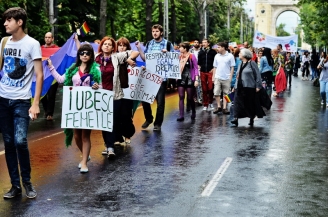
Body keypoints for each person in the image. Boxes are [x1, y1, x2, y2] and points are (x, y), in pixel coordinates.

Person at [0, 7, 44, 199]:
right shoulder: (3, 42)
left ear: (19, 22)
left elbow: (39, 74)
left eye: (8, 20)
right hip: (3, 100)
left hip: (21, 101)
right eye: (5, 20)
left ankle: (27, 182)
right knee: (8, 143)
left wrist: (35, 104)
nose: (5, 23)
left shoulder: (32, 44)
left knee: (20, 141)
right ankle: (15, 186)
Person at [47, 44, 101, 172]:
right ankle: (85, 156)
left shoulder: (96, 69)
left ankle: (84, 163)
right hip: (75, 106)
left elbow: (101, 86)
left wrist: (97, 86)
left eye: (87, 53)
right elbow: (60, 80)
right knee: (77, 135)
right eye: (82, 53)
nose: (84, 55)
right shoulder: (73, 69)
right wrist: (50, 66)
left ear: (91, 55)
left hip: (88, 106)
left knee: (85, 135)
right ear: (79, 55)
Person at [95, 36, 139, 157]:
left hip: (115, 95)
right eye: (105, 44)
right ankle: (108, 145)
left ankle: (110, 146)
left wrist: (129, 59)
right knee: (104, 122)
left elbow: (135, 52)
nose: (107, 46)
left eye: (110, 44)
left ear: (113, 47)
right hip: (100, 95)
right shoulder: (95, 58)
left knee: (113, 121)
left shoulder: (117, 57)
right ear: (101, 46)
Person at [137, 24, 174, 131]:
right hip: (149, 76)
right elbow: (145, 58)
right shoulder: (149, 44)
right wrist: (139, 48)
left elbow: (174, 59)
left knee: (160, 102)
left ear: (161, 32)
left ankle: (158, 124)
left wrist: (167, 54)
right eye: (153, 31)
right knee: (145, 99)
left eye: (157, 31)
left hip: (161, 77)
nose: (155, 33)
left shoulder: (167, 44)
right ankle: (149, 118)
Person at [231, 49, 265, 127]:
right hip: (240, 87)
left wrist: (258, 86)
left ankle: (251, 118)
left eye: (240, 53)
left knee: (249, 104)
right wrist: (234, 86)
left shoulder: (252, 64)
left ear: (244, 55)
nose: (239, 54)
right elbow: (238, 77)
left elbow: (258, 75)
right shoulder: (240, 64)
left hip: (250, 87)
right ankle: (235, 119)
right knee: (236, 103)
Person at [176, 42, 199, 121]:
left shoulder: (192, 56)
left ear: (185, 48)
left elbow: (196, 68)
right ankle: (181, 115)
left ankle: (193, 111)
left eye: (181, 47)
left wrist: (196, 79)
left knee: (190, 97)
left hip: (189, 79)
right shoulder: (179, 57)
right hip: (180, 79)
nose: (179, 48)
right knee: (181, 96)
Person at [212, 42, 235, 115]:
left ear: (223, 47)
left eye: (219, 47)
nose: (217, 48)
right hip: (218, 77)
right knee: (216, 92)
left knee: (226, 93)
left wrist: (230, 77)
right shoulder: (216, 56)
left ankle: (224, 108)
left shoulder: (230, 56)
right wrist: (213, 76)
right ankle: (219, 106)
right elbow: (215, 67)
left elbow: (232, 67)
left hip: (226, 77)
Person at [41, 32, 59, 121]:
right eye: (46, 37)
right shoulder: (40, 49)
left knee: (51, 94)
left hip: (52, 75)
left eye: (49, 37)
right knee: (42, 94)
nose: (47, 39)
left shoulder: (57, 49)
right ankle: (46, 110)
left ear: (52, 39)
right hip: (42, 75)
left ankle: (49, 113)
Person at [198, 39, 217, 111]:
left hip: (210, 71)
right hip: (203, 71)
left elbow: (215, 62)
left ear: (208, 43)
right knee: (204, 89)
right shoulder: (201, 52)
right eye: (202, 42)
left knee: (210, 88)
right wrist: (199, 67)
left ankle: (210, 102)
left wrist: (213, 69)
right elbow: (199, 62)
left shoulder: (213, 52)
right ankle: (205, 104)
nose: (203, 44)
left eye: (205, 42)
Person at [190, 39, 202, 107]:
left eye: (197, 42)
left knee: (199, 85)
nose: (196, 43)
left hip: (199, 70)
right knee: (192, 85)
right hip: (192, 70)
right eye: (195, 42)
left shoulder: (201, 51)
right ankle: (193, 98)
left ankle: (200, 99)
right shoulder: (190, 51)